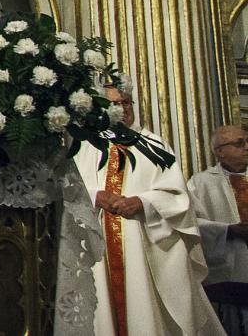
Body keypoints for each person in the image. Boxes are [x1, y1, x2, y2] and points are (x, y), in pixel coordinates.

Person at [74, 82, 224, 335]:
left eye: (126, 103)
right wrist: (95, 196)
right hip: (95, 245)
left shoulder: (154, 145)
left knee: (142, 308)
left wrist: (143, 202)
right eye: (114, 104)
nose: (122, 109)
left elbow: (178, 196)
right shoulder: (85, 147)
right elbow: (68, 193)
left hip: (142, 242)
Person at [190, 123, 248, 334]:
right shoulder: (201, 183)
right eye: (240, 143)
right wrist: (228, 230)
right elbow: (191, 223)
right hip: (227, 271)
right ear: (220, 151)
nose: (247, 146)